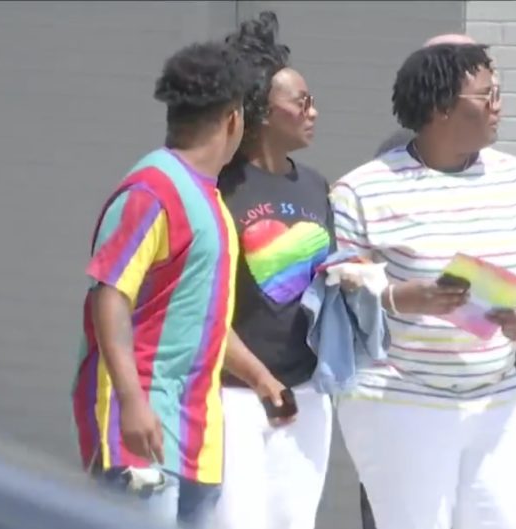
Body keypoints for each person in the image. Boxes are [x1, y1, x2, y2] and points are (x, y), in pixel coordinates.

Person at [331, 43, 516, 529]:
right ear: (442, 107)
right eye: (487, 95)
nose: (498, 104)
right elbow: (341, 287)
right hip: (401, 400)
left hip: (497, 399)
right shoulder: (362, 189)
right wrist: (404, 297)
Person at [71, 40, 248, 529]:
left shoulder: (208, 200)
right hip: (142, 432)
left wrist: (261, 378)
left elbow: (206, 317)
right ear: (234, 119)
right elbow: (110, 294)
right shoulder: (153, 190)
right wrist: (131, 400)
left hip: (196, 442)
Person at [211, 11, 334, 529]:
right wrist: (261, 382)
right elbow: (204, 308)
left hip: (305, 395)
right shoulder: (219, 187)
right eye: (301, 102)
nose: (314, 111)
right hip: (233, 398)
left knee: (294, 521)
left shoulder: (316, 185)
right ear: (263, 111)